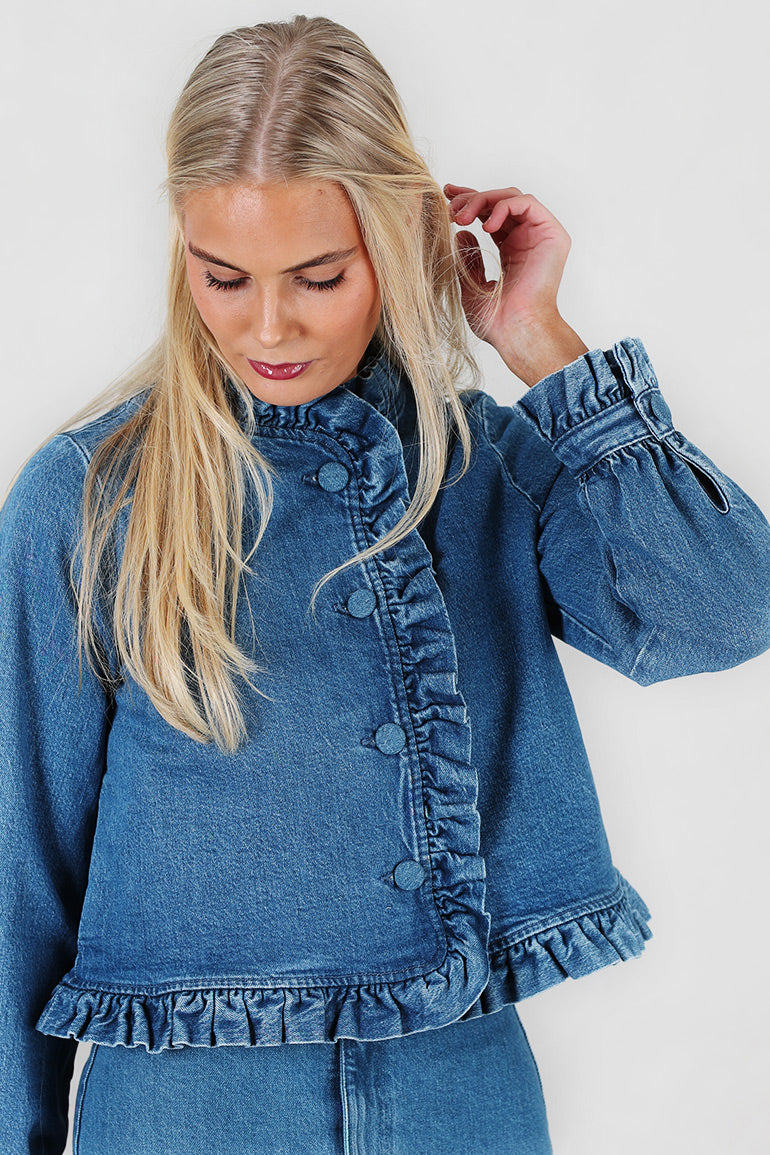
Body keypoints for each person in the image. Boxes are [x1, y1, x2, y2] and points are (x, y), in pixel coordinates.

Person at [1, 13, 769, 1154]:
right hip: (185, 1112)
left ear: (403, 238)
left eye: (319, 275)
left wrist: (539, 341)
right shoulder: (92, 495)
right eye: (223, 276)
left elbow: (721, 614)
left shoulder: (486, 464)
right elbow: (16, 870)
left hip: (463, 1095)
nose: (269, 325)